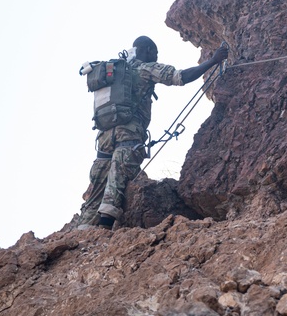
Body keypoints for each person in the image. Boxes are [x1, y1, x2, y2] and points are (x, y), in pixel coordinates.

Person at [75, 35, 228, 230]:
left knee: (97, 186)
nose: (155, 57)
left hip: (104, 138)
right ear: (147, 50)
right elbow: (181, 77)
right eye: (154, 53)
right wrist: (214, 60)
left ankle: (82, 236)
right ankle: (104, 233)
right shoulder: (145, 68)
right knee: (116, 182)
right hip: (128, 136)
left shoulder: (114, 71)